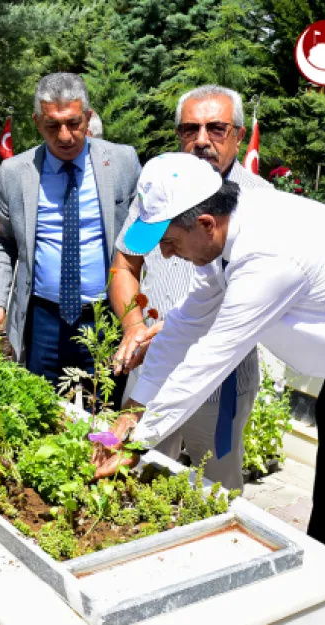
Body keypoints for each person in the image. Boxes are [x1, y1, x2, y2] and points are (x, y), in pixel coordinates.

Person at [96, 153, 325, 572]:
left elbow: (211, 358)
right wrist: (135, 410)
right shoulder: (224, 236)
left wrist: (137, 442)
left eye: (169, 243)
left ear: (206, 224)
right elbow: (184, 328)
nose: (167, 256)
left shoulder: (269, 255)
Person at [110, 85, 270, 490]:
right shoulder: (159, 187)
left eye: (216, 128)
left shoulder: (258, 202)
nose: (201, 141)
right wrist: (134, 326)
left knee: (214, 489)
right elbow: (124, 266)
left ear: (237, 133)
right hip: (153, 361)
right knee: (138, 483)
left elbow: (220, 317)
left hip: (220, 380)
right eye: (189, 129)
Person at [0, 72, 141, 386]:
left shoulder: (122, 162)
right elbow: (3, 242)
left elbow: (143, 241)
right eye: (53, 126)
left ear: (88, 118)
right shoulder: (15, 172)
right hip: (43, 320)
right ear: (38, 123)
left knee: (106, 411)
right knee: (44, 411)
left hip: (107, 314)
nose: (65, 136)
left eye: (74, 123)